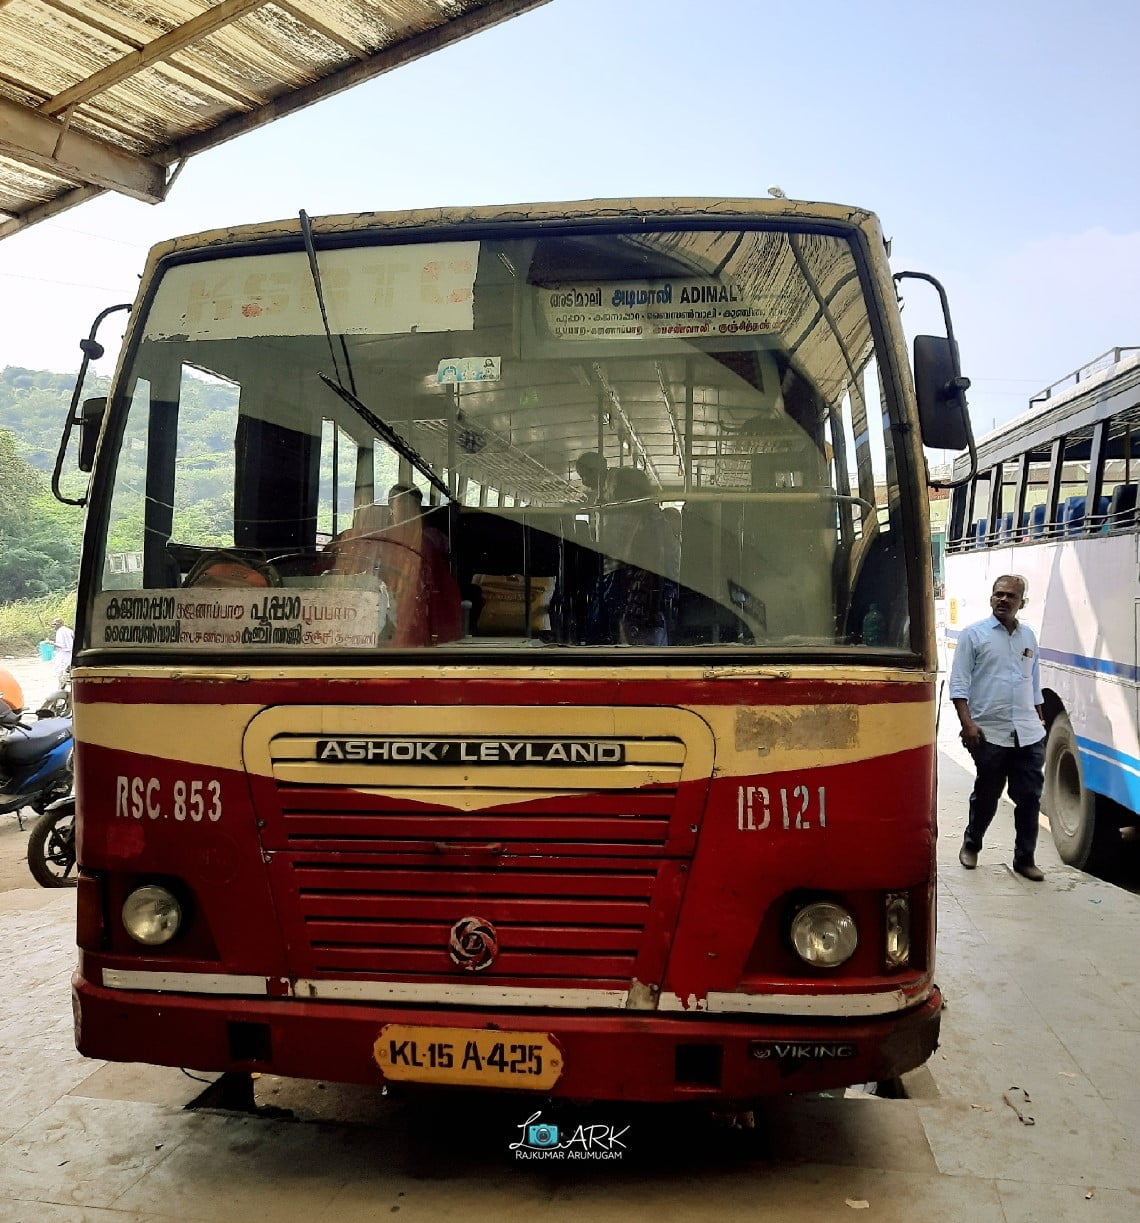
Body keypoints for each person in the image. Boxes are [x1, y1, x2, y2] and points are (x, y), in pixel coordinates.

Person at [949, 574, 1047, 881]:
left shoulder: (1028, 636)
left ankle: (1025, 859)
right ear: (991, 598)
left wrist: (1039, 717)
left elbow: (1033, 683)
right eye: (998, 594)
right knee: (988, 794)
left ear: (1022, 603)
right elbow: (959, 683)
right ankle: (972, 843)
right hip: (990, 731)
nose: (1003, 600)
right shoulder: (973, 635)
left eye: (1010, 596)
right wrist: (968, 725)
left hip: (1028, 732)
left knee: (1029, 796)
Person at [51, 618, 74, 684]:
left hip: (63, 654)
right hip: (70, 654)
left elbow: (61, 645)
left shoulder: (60, 631)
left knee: (61, 673)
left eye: (55, 624)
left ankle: (61, 687)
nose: (53, 626)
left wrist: (51, 643)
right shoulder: (69, 630)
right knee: (68, 672)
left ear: (60, 624)